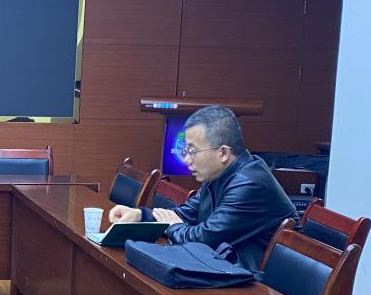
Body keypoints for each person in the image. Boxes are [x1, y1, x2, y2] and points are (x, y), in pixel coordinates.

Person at [108, 105, 295, 271]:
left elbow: (204, 239)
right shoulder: (218, 174)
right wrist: (140, 215)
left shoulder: (250, 183)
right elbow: (186, 214)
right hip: (226, 268)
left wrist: (173, 227)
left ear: (223, 153)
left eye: (193, 151)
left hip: (258, 286)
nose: (187, 159)